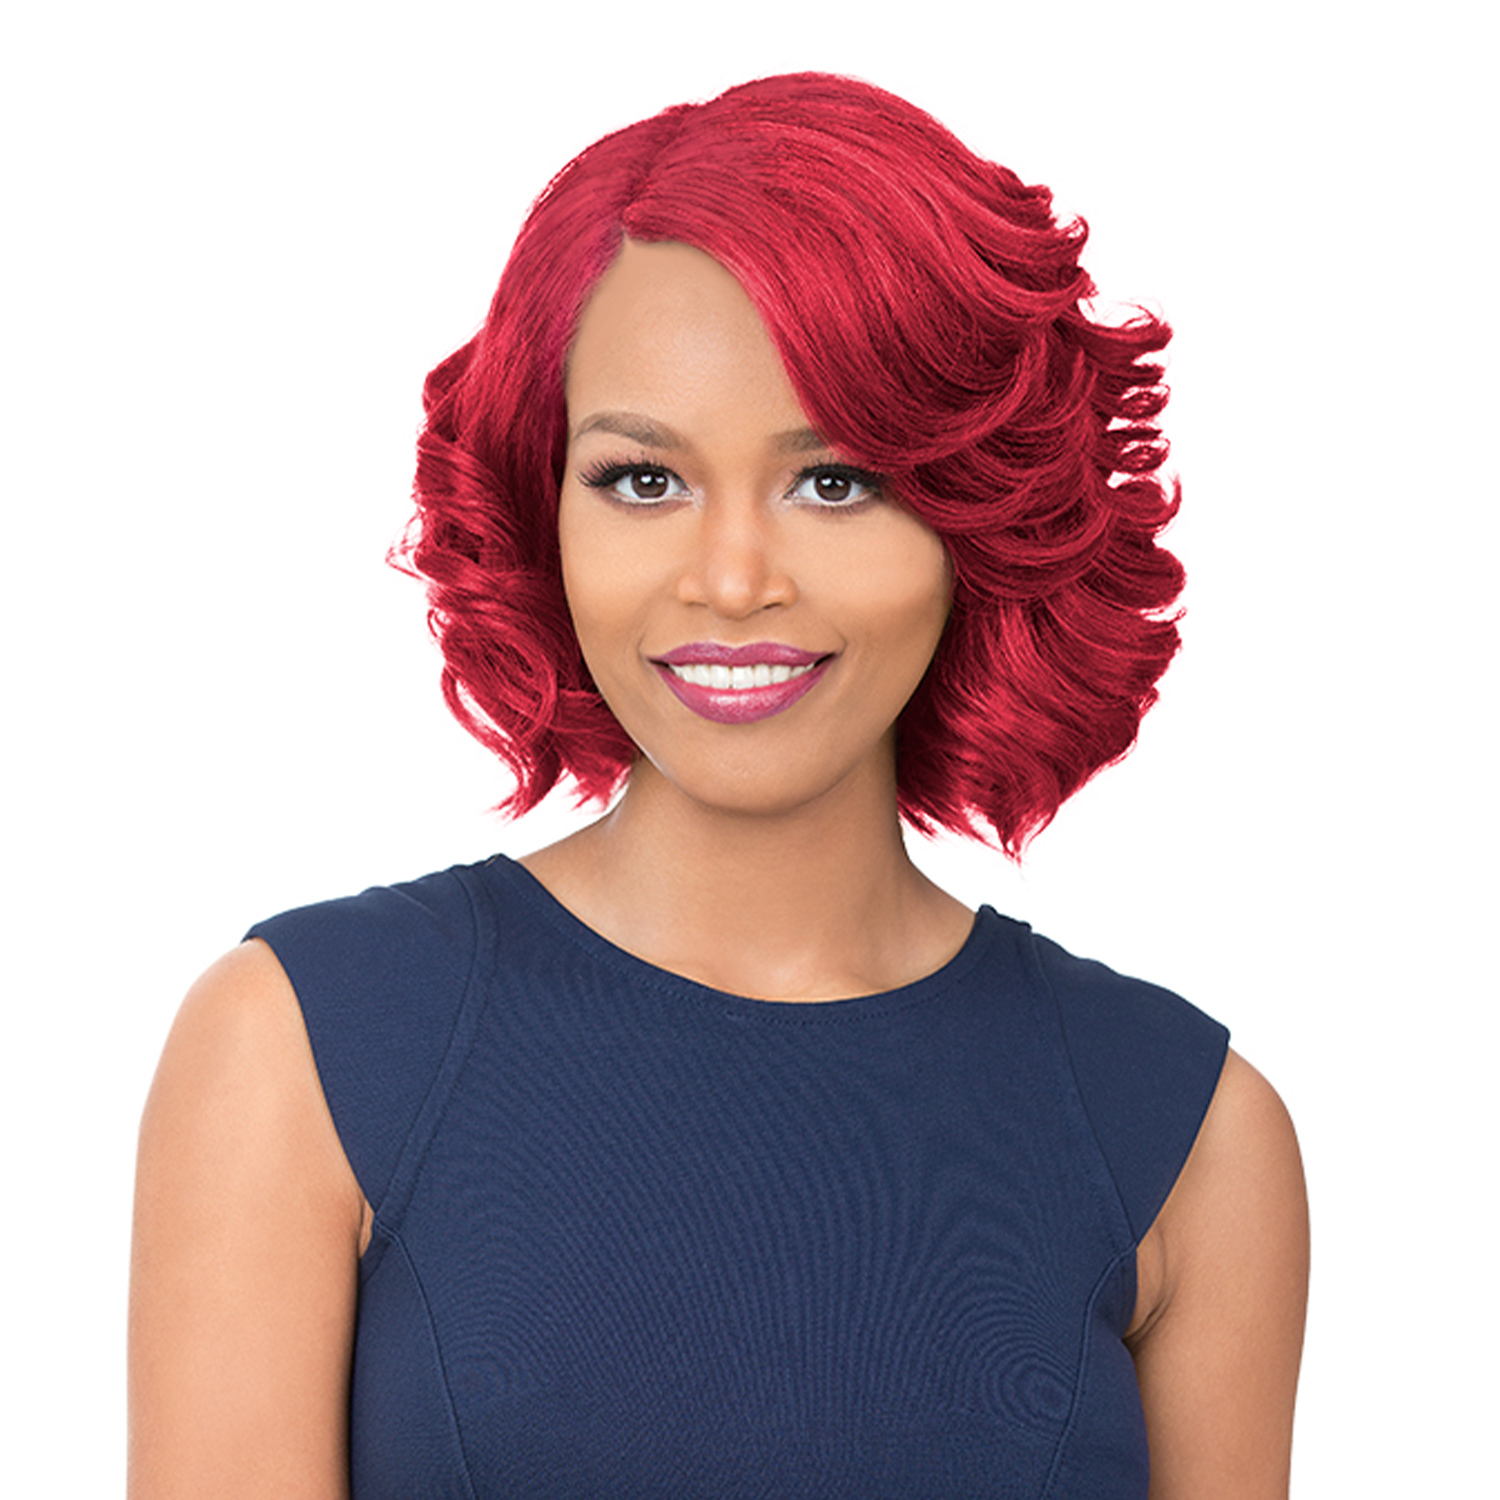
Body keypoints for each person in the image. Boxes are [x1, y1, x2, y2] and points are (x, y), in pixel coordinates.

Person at [128, 72, 1309, 1499]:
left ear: (982, 514)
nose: (733, 580)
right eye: (643, 480)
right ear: (541, 509)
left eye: (836, 482)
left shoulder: (1190, 1132)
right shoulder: (305, 1048)